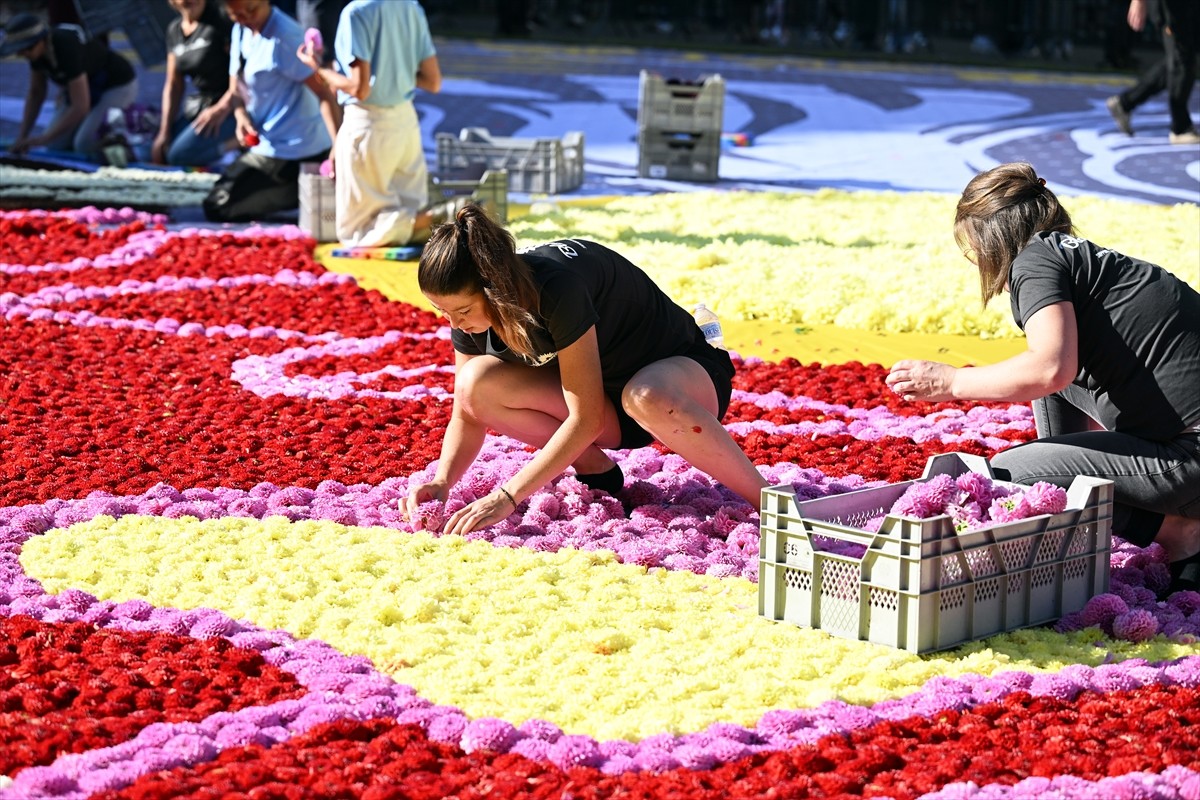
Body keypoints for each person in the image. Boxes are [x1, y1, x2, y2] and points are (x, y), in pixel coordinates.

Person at [885, 162, 1200, 593]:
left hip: (1190, 458)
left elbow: (1050, 368)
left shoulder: (1033, 260)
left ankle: (1181, 535)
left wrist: (951, 382)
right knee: (1050, 420)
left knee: (1011, 472)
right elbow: (1058, 372)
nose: (976, 260)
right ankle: (1079, 518)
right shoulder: (1081, 260)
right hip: (1185, 449)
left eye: (971, 247)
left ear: (989, 236)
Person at [403, 204, 770, 537]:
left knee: (645, 396)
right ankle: (598, 471)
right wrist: (442, 480)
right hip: (612, 404)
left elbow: (587, 418)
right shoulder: (471, 315)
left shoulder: (558, 289)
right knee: (474, 385)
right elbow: (466, 413)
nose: (455, 324)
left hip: (686, 382)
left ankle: (771, 505)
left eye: (463, 311)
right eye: (443, 312)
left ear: (494, 287)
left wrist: (508, 496)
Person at [296, 0, 454, 246]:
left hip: (368, 123)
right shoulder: (411, 7)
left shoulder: (356, 12)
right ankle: (444, 216)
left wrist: (319, 69)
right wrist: (394, 71)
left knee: (357, 231)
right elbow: (432, 81)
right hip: (406, 123)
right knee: (409, 215)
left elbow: (359, 88)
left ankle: (445, 215)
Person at [201, 0, 341, 223]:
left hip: (297, 149)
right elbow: (235, 86)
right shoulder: (241, 30)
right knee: (216, 198)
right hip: (268, 144)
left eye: (251, 10)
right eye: (237, 14)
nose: (246, 18)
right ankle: (295, 188)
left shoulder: (285, 37)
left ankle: (300, 188)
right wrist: (240, 117)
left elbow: (324, 93)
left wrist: (337, 146)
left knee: (220, 206)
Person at [1, 12, 138, 158]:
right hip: (84, 89)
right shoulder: (36, 52)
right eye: (20, 51)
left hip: (115, 86)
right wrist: (23, 136)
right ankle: (92, 126)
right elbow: (36, 92)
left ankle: (122, 135)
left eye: (27, 49)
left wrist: (44, 138)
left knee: (84, 144)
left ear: (41, 40)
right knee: (56, 144)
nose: (24, 54)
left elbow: (80, 106)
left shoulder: (65, 45)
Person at [152, 0, 238, 167]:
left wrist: (221, 108)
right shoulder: (174, 30)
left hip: (231, 103)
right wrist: (164, 131)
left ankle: (237, 145)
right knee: (161, 149)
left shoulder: (222, 19)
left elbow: (243, 72)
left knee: (179, 156)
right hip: (202, 104)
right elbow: (173, 84)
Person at [1105, 0, 1199, 144]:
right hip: (1171, 6)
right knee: (1181, 59)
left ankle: (1125, 103)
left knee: (1181, 60)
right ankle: (1180, 127)